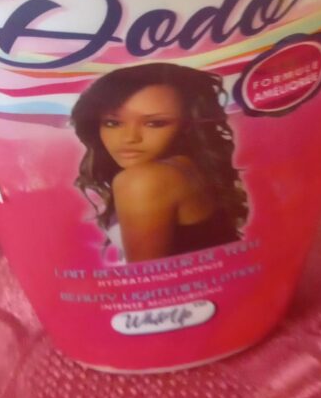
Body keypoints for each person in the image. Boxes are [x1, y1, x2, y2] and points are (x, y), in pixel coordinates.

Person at [70, 63, 249, 262]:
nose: (130, 138)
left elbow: (146, 277)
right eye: (113, 123)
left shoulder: (145, 179)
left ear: (186, 125)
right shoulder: (189, 168)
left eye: (155, 123)